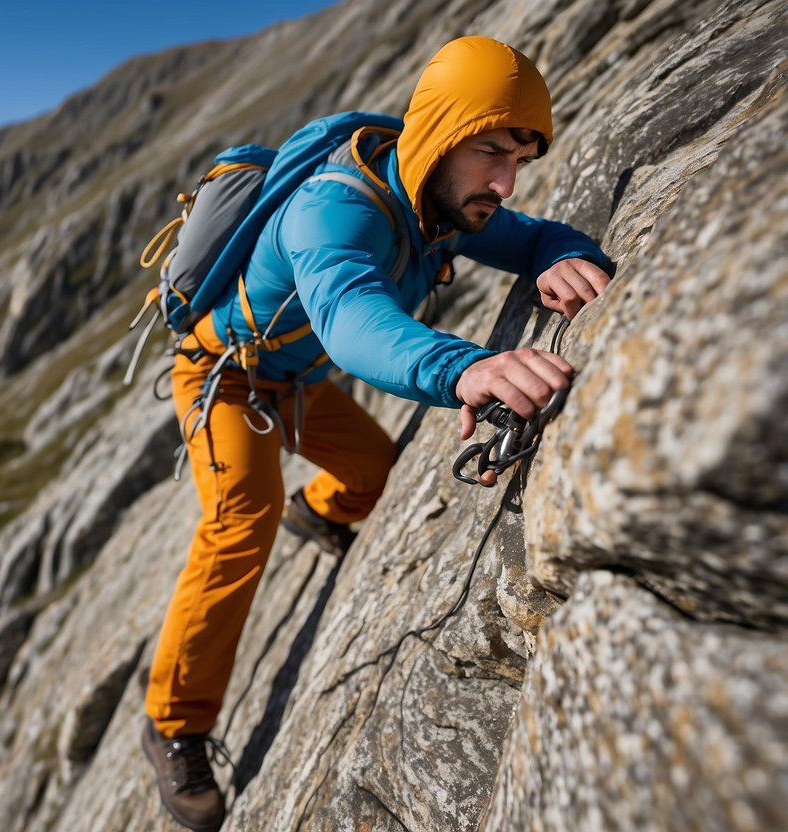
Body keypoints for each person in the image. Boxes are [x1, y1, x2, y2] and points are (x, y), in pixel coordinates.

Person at [140, 36, 614, 831]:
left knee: (369, 473)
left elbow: (533, 235)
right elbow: (352, 320)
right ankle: (173, 723)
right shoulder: (338, 207)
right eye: (489, 150)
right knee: (238, 522)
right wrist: (466, 369)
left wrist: (562, 251)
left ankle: (319, 514)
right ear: (438, 136)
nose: (503, 180)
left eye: (519, 158)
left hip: (290, 385)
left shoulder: (439, 199)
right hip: (224, 379)